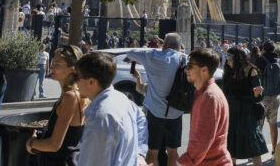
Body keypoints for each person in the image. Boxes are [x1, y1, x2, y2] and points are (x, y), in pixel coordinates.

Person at [74, 52, 148, 166]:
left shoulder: (101, 118)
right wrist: (139, 154)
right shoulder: (121, 98)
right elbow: (141, 119)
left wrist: (139, 154)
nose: (75, 82)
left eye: (76, 77)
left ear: (91, 81)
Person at [126, 32, 187, 166]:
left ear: (164, 44)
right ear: (178, 47)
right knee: (173, 152)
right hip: (176, 112)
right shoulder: (183, 59)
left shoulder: (152, 56)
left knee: (152, 152)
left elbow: (130, 53)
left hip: (155, 112)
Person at [25, 46, 85, 166]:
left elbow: (54, 145)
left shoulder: (70, 96)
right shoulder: (77, 93)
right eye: (52, 63)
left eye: (57, 64)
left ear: (72, 69)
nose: (51, 67)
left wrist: (31, 143)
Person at [178, 48, 232, 166]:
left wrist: (186, 162)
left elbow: (202, 141)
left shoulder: (209, 97)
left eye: (191, 65)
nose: (186, 69)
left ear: (204, 70)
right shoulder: (206, 94)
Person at [223, 47, 267, 165]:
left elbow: (258, 96)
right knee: (230, 147)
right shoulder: (229, 71)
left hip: (247, 114)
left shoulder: (251, 70)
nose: (228, 62)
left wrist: (257, 93)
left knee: (253, 148)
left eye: (230, 60)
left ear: (238, 59)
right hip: (231, 113)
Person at [256, 41, 280, 155]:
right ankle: (274, 150)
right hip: (275, 96)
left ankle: (257, 150)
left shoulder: (260, 60)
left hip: (262, 96)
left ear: (263, 49)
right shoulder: (278, 60)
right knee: (273, 124)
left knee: (259, 125)